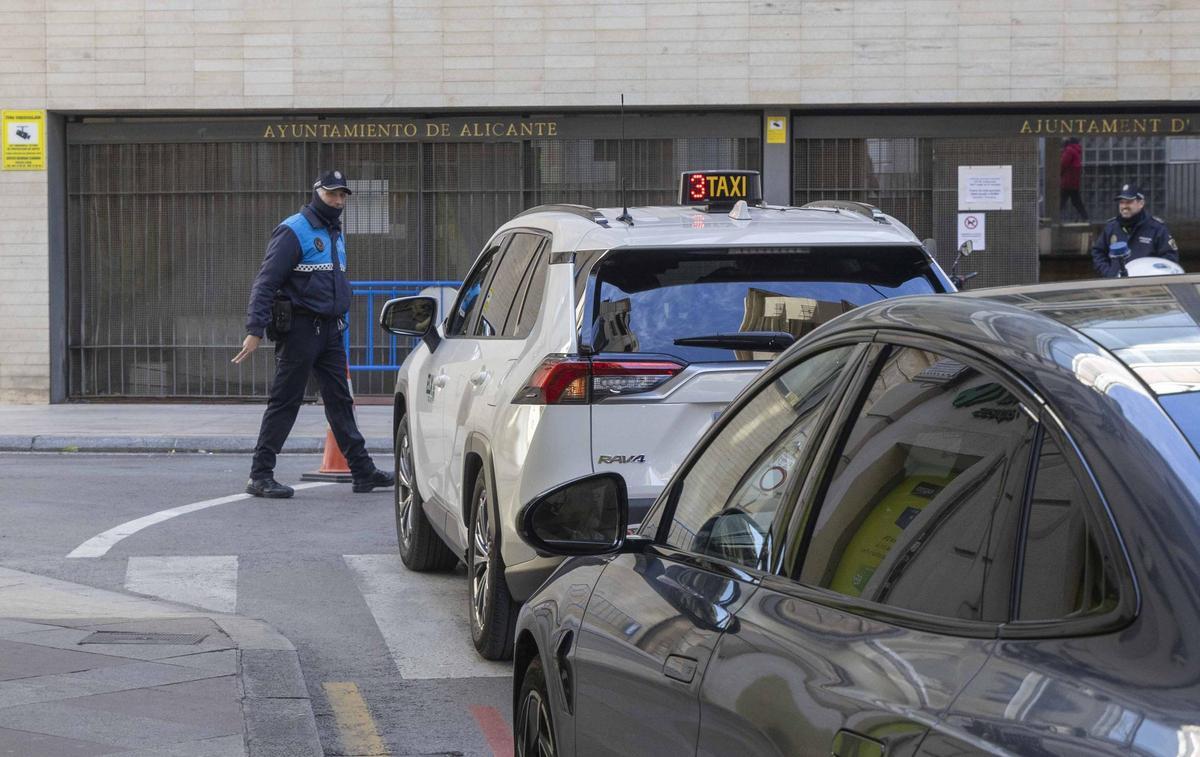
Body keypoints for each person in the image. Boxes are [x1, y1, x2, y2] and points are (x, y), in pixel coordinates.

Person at [232, 170, 394, 498]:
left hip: (330, 331)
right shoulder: (294, 230)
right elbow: (266, 282)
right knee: (285, 401)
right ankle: (259, 474)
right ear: (316, 192)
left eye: (342, 195)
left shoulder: (334, 232)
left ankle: (362, 471)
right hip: (301, 331)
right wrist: (255, 329)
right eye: (331, 194)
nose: (337, 200)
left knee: (340, 402)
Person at [1090, 183, 1180, 278]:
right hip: (1116, 286)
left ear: (1141, 203)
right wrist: (1110, 273)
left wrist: (1153, 275)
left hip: (1146, 286)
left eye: (1128, 202)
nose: (1124, 206)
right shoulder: (1111, 227)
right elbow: (1098, 252)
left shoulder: (1156, 228)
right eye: (1121, 202)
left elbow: (1170, 258)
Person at [1059, 138, 1088, 222]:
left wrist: (1058, 175)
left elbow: (1063, 164)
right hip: (1074, 181)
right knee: (1076, 201)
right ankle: (1085, 217)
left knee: (1061, 201)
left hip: (1067, 181)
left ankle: (1054, 218)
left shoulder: (1069, 150)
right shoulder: (1076, 150)